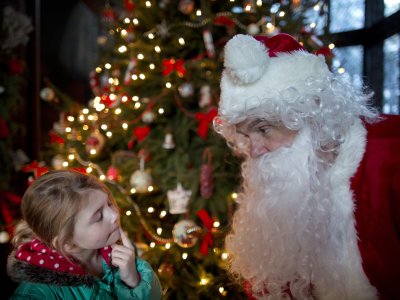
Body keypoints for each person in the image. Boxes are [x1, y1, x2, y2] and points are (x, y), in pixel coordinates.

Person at [214, 33, 400, 299]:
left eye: (264, 129)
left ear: (310, 115)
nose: (254, 150)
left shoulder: (391, 155)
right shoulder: (277, 182)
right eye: (245, 135)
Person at [7, 169, 162, 299]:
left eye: (108, 203)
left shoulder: (118, 251)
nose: (115, 214)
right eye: (99, 216)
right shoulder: (35, 295)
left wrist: (133, 280)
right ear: (66, 242)